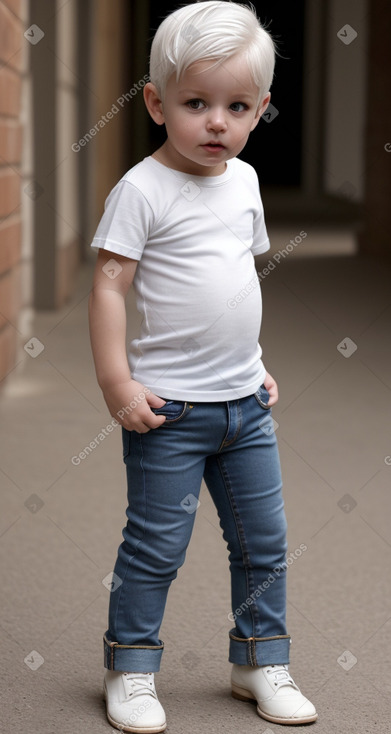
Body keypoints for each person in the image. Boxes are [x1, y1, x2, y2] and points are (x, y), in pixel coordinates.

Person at [88, 1, 318, 731]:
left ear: (260, 111)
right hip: (169, 411)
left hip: (246, 403)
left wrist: (256, 363)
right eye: (196, 103)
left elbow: (230, 285)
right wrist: (117, 382)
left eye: (236, 106)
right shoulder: (141, 190)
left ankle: (258, 658)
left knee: (264, 541)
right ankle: (130, 666)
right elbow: (109, 286)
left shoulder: (244, 184)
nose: (216, 122)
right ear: (156, 102)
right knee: (156, 545)